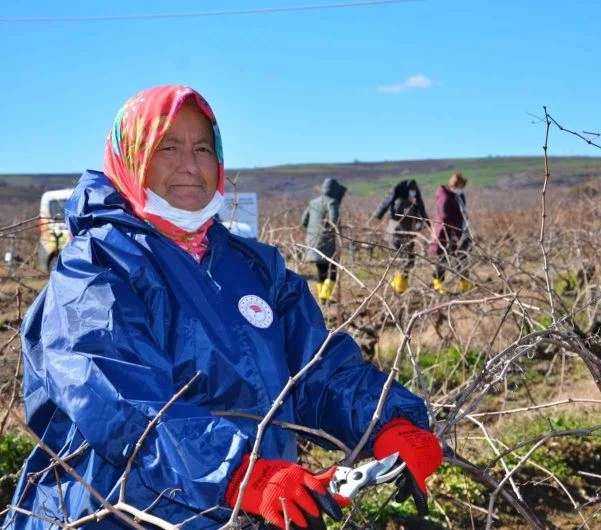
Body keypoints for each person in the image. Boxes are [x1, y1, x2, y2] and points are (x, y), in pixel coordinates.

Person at [6, 85, 442, 530]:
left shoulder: (253, 266)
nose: (191, 166)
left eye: (202, 148)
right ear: (132, 157)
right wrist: (238, 472)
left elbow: (316, 369)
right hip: (115, 518)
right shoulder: (95, 269)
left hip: (249, 512)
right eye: (168, 147)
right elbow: (119, 400)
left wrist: (388, 419)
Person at [373, 179, 428, 294]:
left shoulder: (410, 203)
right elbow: (402, 215)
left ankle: (400, 285)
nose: (413, 193)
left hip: (406, 236)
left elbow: (418, 214)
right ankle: (399, 287)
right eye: (412, 190)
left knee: (408, 260)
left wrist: (421, 222)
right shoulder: (400, 203)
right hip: (399, 236)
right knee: (404, 260)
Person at [301, 177, 347, 303]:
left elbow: (303, 221)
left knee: (320, 270)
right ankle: (325, 296)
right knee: (332, 271)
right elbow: (334, 221)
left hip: (312, 241)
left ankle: (322, 296)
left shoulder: (313, 202)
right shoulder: (332, 202)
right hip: (327, 242)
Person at [429, 173, 472, 294]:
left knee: (463, 258)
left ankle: (465, 284)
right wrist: (452, 234)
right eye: (460, 186)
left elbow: (461, 211)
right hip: (446, 234)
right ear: (455, 184)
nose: (461, 189)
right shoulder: (445, 197)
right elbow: (444, 217)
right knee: (444, 259)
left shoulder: (459, 196)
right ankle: (438, 284)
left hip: (461, 232)